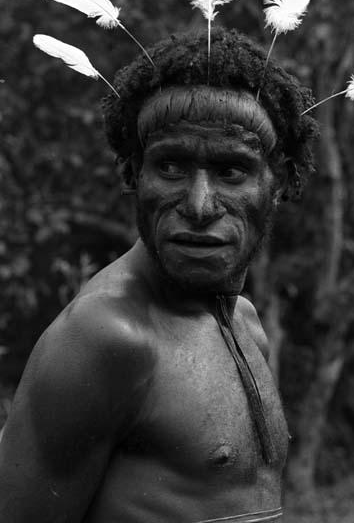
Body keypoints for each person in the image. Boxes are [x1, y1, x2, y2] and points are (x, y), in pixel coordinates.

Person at [0, 27, 318, 523]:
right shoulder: (106, 337)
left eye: (232, 171)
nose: (198, 205)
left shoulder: (247, 325)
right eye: (170, 166)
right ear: (132, 174)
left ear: (279, 184)